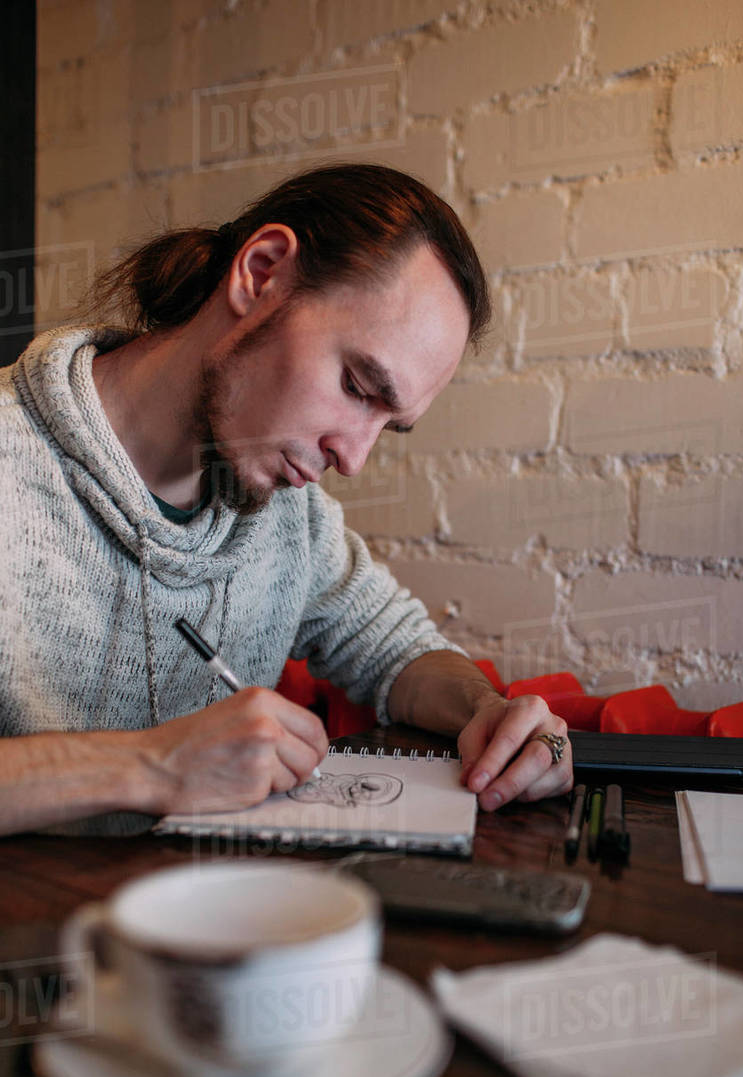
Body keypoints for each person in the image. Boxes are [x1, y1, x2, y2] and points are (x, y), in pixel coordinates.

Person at [0, 162, 571, 837]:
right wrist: (151, 766)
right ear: (261, 272)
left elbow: (399, 651)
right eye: (358, 387)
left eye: (389, 425)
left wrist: (489, 714)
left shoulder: (285, 508)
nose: (353, 459)